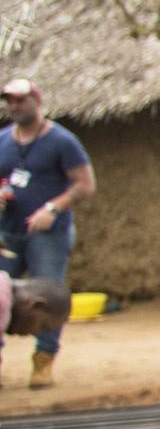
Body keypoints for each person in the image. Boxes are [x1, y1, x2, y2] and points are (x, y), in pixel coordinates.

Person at [0, 77, 93, 389]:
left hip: (48, 234)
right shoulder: (3, 140)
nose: (15, 106)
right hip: (7, 232)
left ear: (37, 101)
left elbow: (85, 184)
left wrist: (52, 208)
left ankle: (43, 360)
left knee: (46, 299)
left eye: (21, 100)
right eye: (10, 101)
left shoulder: (62, 141)